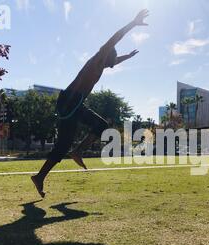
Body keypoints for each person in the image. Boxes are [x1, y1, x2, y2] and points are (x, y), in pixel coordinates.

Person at [31, 9, 149, 198]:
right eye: (111, 60)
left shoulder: (102, 65)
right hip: (70, 102)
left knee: (65, 145)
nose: (112, 64)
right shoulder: (97, 59)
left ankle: (40, 176)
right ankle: (77, 151)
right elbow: (114, 39)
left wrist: (127, 56)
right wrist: (133, 24)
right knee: (99, 126)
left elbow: (115, 61)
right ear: (106, 55)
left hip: (72, 104)